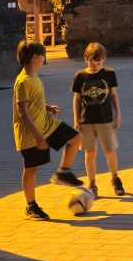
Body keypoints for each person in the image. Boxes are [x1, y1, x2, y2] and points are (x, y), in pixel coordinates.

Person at [13, 40, 83, 221]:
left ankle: (63, 172)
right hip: (31, 134)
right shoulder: (23, 81)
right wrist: (38, 137)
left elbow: (32, 102)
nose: (45, 58)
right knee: (31, 169)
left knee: (76, 138)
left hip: (47, 124)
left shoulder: (34, 76)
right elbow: (23, 112)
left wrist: (47, 107)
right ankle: (31, 206)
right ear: (35, 57)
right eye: (43, 55)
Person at [71, 42, 124, 198]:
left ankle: (115, 179)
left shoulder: (109, 74)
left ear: (104, 59)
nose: (94, 65)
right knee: (90, 152)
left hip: (105, 119)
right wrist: (76, 120)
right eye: (91, 62)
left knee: (109, 150)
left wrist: (118, 114)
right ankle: (92, 184)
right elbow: (77, 98)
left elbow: (113, 95)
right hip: (86, 120)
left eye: (98, 62)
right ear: (86, 59)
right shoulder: (80, 76)